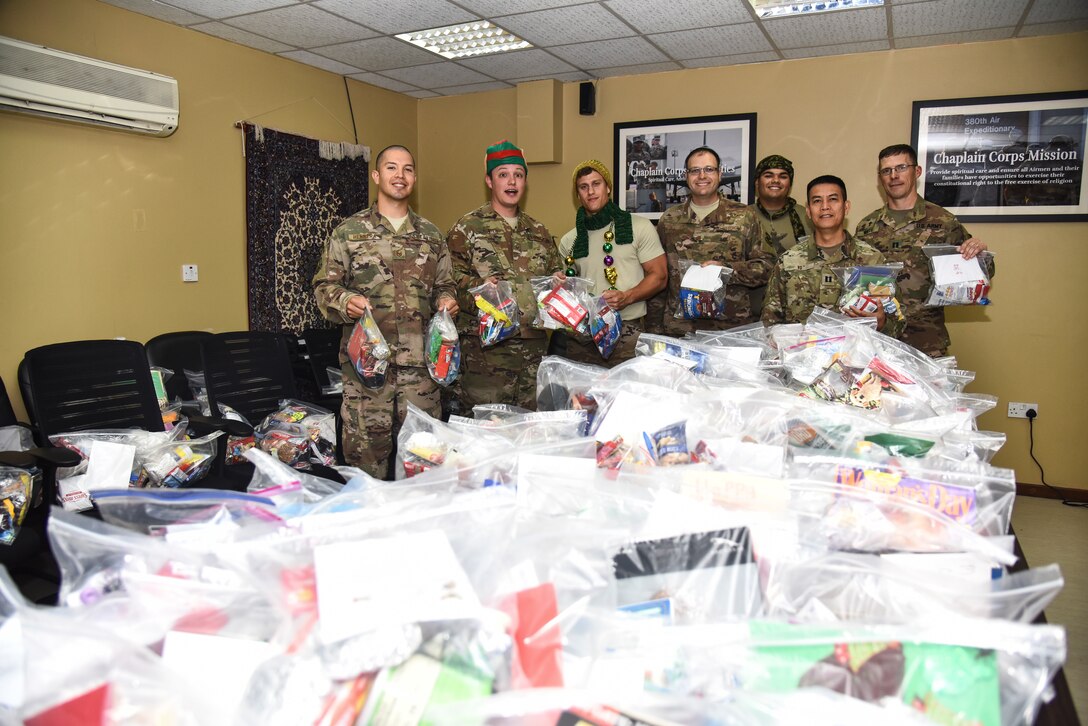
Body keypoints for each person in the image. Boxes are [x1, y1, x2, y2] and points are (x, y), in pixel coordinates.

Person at [312, 144, 458, 479]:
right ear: (377, 176)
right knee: (366, 466)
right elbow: (323, 287)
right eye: (392, 168)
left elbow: (446, 286)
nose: (400, 176)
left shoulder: (432, 236)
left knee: (423, 466)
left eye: (407, 169)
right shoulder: (348, 233)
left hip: (421, 374)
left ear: (415, 178)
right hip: (366, 376)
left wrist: (449, 301)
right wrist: (344, 300)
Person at [445, 140, 560, 410]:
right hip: (486, 358)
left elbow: (554, 276)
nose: (512, 181)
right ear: (489, 180)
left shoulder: (539, 231)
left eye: (518, 175)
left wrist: (560, 283)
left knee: (528, 431)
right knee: (485, 435)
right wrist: (480, 287)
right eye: (503, 174)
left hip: (533, 354)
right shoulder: (467, 228)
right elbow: (448, 283)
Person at [855, 144, 991, 357]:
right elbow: (856, 282)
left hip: (926, 343)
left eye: (901, 167)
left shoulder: (943, 221)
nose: (894, 176)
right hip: (878, 341)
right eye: (886, 170)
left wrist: (979, 255)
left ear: (916, 171)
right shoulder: (867, 226)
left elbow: (979, 275)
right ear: (880, 178)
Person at [762, 174, 902, 338]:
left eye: (833, 199)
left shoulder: (871, 260)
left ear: (846, 207)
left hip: (854, 359)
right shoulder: (788, 261)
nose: (825, 206)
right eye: (817, 201)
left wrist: (883, 323)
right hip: (801, 358)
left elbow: (898, 322)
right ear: (808, 211)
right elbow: (769, 323)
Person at [657, 146, 775, 336]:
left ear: (720, 174)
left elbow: (767, 267)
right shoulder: (669, 219)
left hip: (730, 328)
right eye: (695, 170)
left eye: (709, 169)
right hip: (680, 328)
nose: (702, 176)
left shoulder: (745, 216)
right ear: (686, 176)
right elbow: (660, 276)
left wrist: (726, 270)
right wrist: (655, 330)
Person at [557, 159, 666, 365]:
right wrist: (558, 286)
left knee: (626, 396)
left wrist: (627, 297)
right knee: (583, 396)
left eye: (596, 184)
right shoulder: (569, 241)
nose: (590, 191)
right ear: (577, 194)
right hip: (582, 336)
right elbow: (569, 289)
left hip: (626, 332)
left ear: (608, 187)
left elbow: (659, 276)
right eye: (583, 187)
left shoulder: (639, 227)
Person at [747, 154, 813, 256]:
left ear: (790, 184)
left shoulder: (808, 216)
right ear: (757, 182)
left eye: (783, 176)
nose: (776, 180)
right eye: (768, 176)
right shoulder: (743, 216)